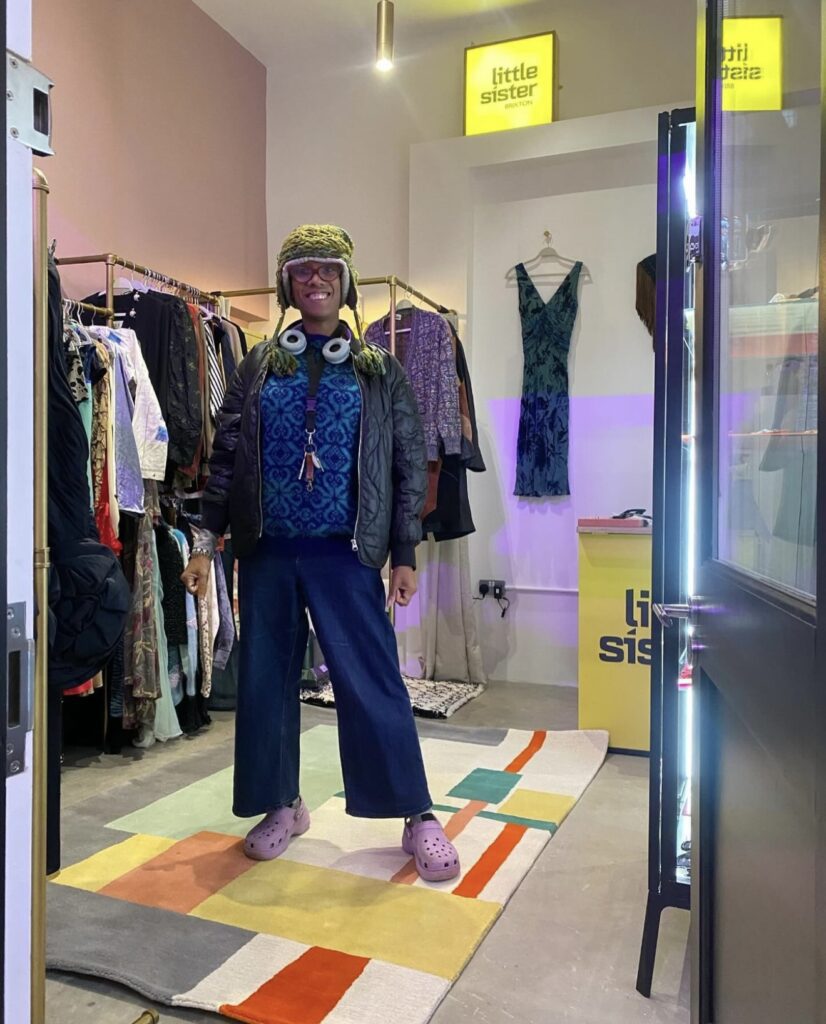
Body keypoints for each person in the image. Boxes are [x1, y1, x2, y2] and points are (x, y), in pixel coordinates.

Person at [181, 224, 460, 883]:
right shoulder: (255, 367)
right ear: (285, 283)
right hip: (269, 553)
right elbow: (223, 461)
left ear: (346, 282)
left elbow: (402, 469)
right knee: (264, 684)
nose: (314, 281)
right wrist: (202, 543)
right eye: (302, 271)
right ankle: (282, 804)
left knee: (372, 682)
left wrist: (404, 553)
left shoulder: (377, 371)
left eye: (326, 271)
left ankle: (417, 814)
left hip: (347, 553)